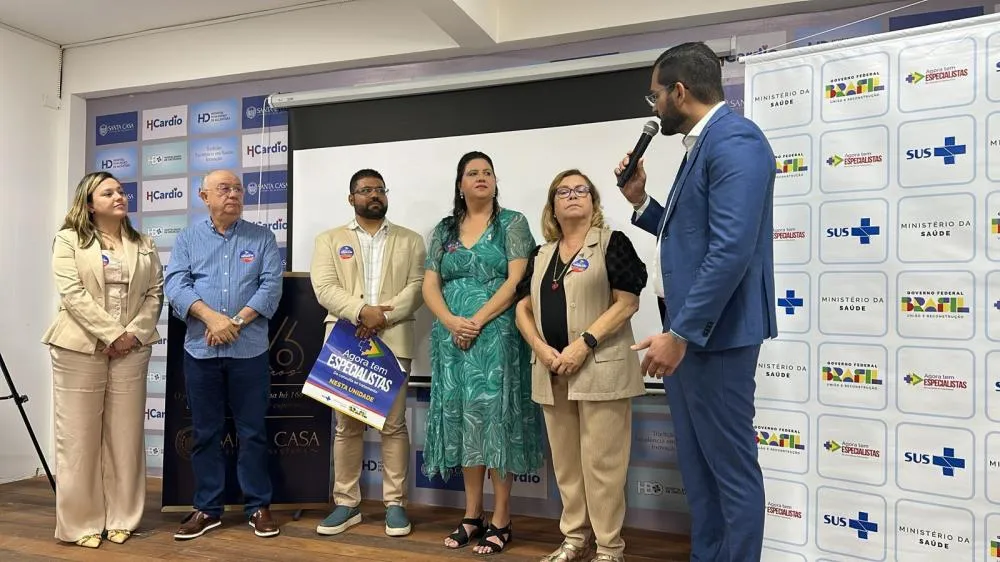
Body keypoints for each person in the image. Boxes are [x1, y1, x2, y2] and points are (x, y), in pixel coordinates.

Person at [615, 42, 777, 562]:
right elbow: (690, 237)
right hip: (685, 334)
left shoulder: (736, 142)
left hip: (714, 337)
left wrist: (681, 333)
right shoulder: (700, 146)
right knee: (700, 468)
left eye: (656, 94)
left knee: (729, 470)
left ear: (679, 92)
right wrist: (641, 200)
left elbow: (731, 251)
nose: (654, 105)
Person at [514, 170, 647, 562]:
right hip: (551, 371)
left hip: (600, 368)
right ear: (552, 205)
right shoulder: (540, 255)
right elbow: (522, 308)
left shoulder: (612, 243)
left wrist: (582, 345)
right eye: (563, 191)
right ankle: (574, 539)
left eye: (581, 190)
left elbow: (627, 302)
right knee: (567, 467)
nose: (572, 196)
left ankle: (609, 548)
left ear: (593, 201)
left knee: (603, 466)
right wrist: (539, 347)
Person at [421, 151, 544, 555]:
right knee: (464, 424)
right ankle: (472, 515)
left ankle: (502, 517)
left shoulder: (512, 223)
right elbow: (430, 285)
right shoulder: (443, 229)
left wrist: (474, 319)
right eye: (472, 173)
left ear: (495, 181)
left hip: (495, 338)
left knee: (496, 424)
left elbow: (515, 282)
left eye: (487, 172)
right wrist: (452, 322)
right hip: (452, 342)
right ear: (460, 184)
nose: (481, 178)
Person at [41, 171, 164, 548]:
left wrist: (130, 335)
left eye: (121, 191)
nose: (119, 196)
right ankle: (81, 524)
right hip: (79, 346)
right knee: (78, 439)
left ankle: (123, 518)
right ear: (89, 203)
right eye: (108, 192)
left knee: (125, 438)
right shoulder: (68, 239)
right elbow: (72, 293)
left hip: (133, 348)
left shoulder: (144, 243)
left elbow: (155, 293)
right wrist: (112, 333)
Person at [164, 169, 284, 540]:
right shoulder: (187, 239)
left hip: (248, 351)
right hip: (201, 349)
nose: (232, 194)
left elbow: (270, 286)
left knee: (252, 432)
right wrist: (212, 319)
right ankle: (207, 508)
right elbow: (175, 284)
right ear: (204, 196)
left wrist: (233, 322)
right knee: (205, 433)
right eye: (223, 188)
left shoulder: (262, 237)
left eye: (237, 189)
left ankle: (258, 506)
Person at [309, 169, 426, 537]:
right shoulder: (329, 240)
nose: (374, 195)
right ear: (351, 198)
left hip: (393, 339)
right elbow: (325, 288)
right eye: (365, 190)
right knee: (347, 426)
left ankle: (395, 504)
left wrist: (381, 317)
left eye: (379, 189)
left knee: (394, 425)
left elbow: (418, 286)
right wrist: (362, 312)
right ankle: (347, 503)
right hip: (346, 340)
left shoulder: (411, 240)